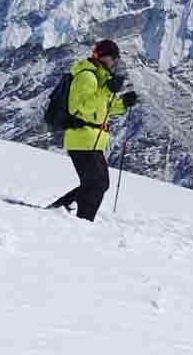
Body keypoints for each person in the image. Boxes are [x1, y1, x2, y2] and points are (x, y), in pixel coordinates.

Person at [47, 39, 139, 221]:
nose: (115, 64)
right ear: (105, 57)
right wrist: (106, 90)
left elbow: (103, 108)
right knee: (98, 183)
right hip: (82, 139)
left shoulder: (99, 77)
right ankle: (81, 221)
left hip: (89, 139)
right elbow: (79, 108)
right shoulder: (87, 76)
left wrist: (123, 103)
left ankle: (63, 209)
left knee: (96, 183)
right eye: (114, 59)